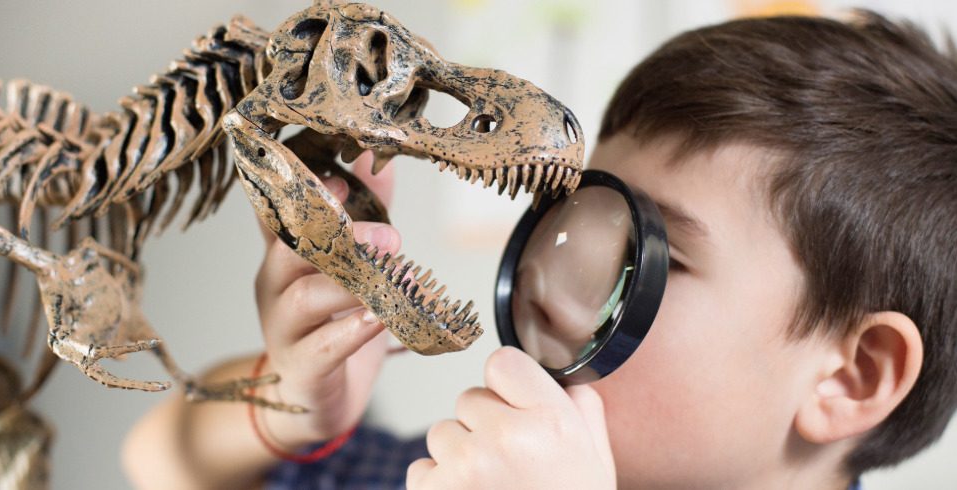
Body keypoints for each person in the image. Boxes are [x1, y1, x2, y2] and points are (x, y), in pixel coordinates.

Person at [122, 10, 957, 490]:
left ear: (853, 377)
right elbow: (160, 461)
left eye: (654, 256)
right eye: (584, 216)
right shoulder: (461, 470)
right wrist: (291, 412)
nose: (550, 290)